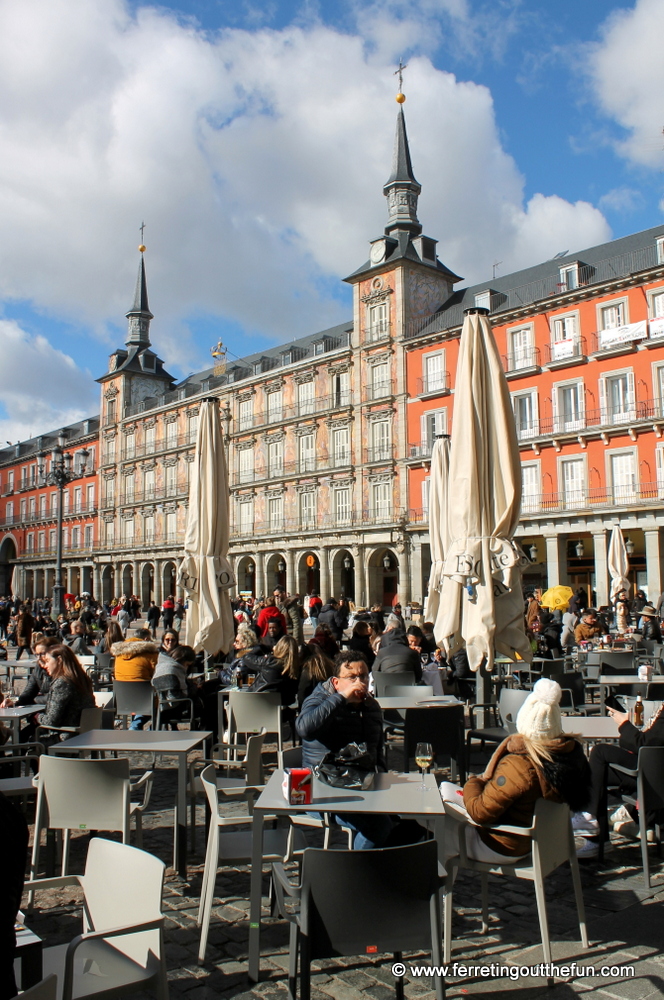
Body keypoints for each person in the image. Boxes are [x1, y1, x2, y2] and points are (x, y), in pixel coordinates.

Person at [440, 678, 591, 862]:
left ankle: (437, 887)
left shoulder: (519, 765)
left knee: (435, 825)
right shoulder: (573, 755)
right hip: (544, 841)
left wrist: (473, 782)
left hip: (505, 844)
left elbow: (480, 812)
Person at [296, 650, 391, 849]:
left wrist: (384, 782)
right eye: (352, 677)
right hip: (321, 789)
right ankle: (352, 875)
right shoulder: (321, 699)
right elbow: (304, 728)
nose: (359, 682)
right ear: (336, 682)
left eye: (363, 676)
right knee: (378, 827)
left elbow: (376, 750)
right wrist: (341, 698)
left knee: (403, 823)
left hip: (361, 785)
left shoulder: (371, 707)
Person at [574, 701, 664, 857]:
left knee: (599, 751)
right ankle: (596, 836)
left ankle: (591, 823)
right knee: (597, 772)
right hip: (653, 769)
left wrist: (623, 723)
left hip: (654, 775)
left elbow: (644, 744)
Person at [34, 644, 95, 735]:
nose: (45, 665)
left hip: (66, 736)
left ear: (59, 660)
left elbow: (51, 721)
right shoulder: (81, 679)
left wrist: (37, 717)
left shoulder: (62, 683)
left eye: (47, 661)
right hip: (85, 734)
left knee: (24, 739)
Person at [112, 629, 160, 730]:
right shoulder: (150, 654)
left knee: (142, 698)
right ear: (146, 639)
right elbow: (157, 674)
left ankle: (135, 727)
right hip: (145, 699)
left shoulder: (119, 655)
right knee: (161, 700)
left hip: (123, 699)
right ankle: (142, 729)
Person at [152, 643, 200, 729]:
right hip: (171, 708)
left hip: (158, 706)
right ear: (183, 661)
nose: (187, 668)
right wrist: (193, 688)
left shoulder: (162, 665)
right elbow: (175, 698)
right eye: (187, 665)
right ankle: (199, 731)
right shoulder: (174, 670)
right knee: (202, 701)